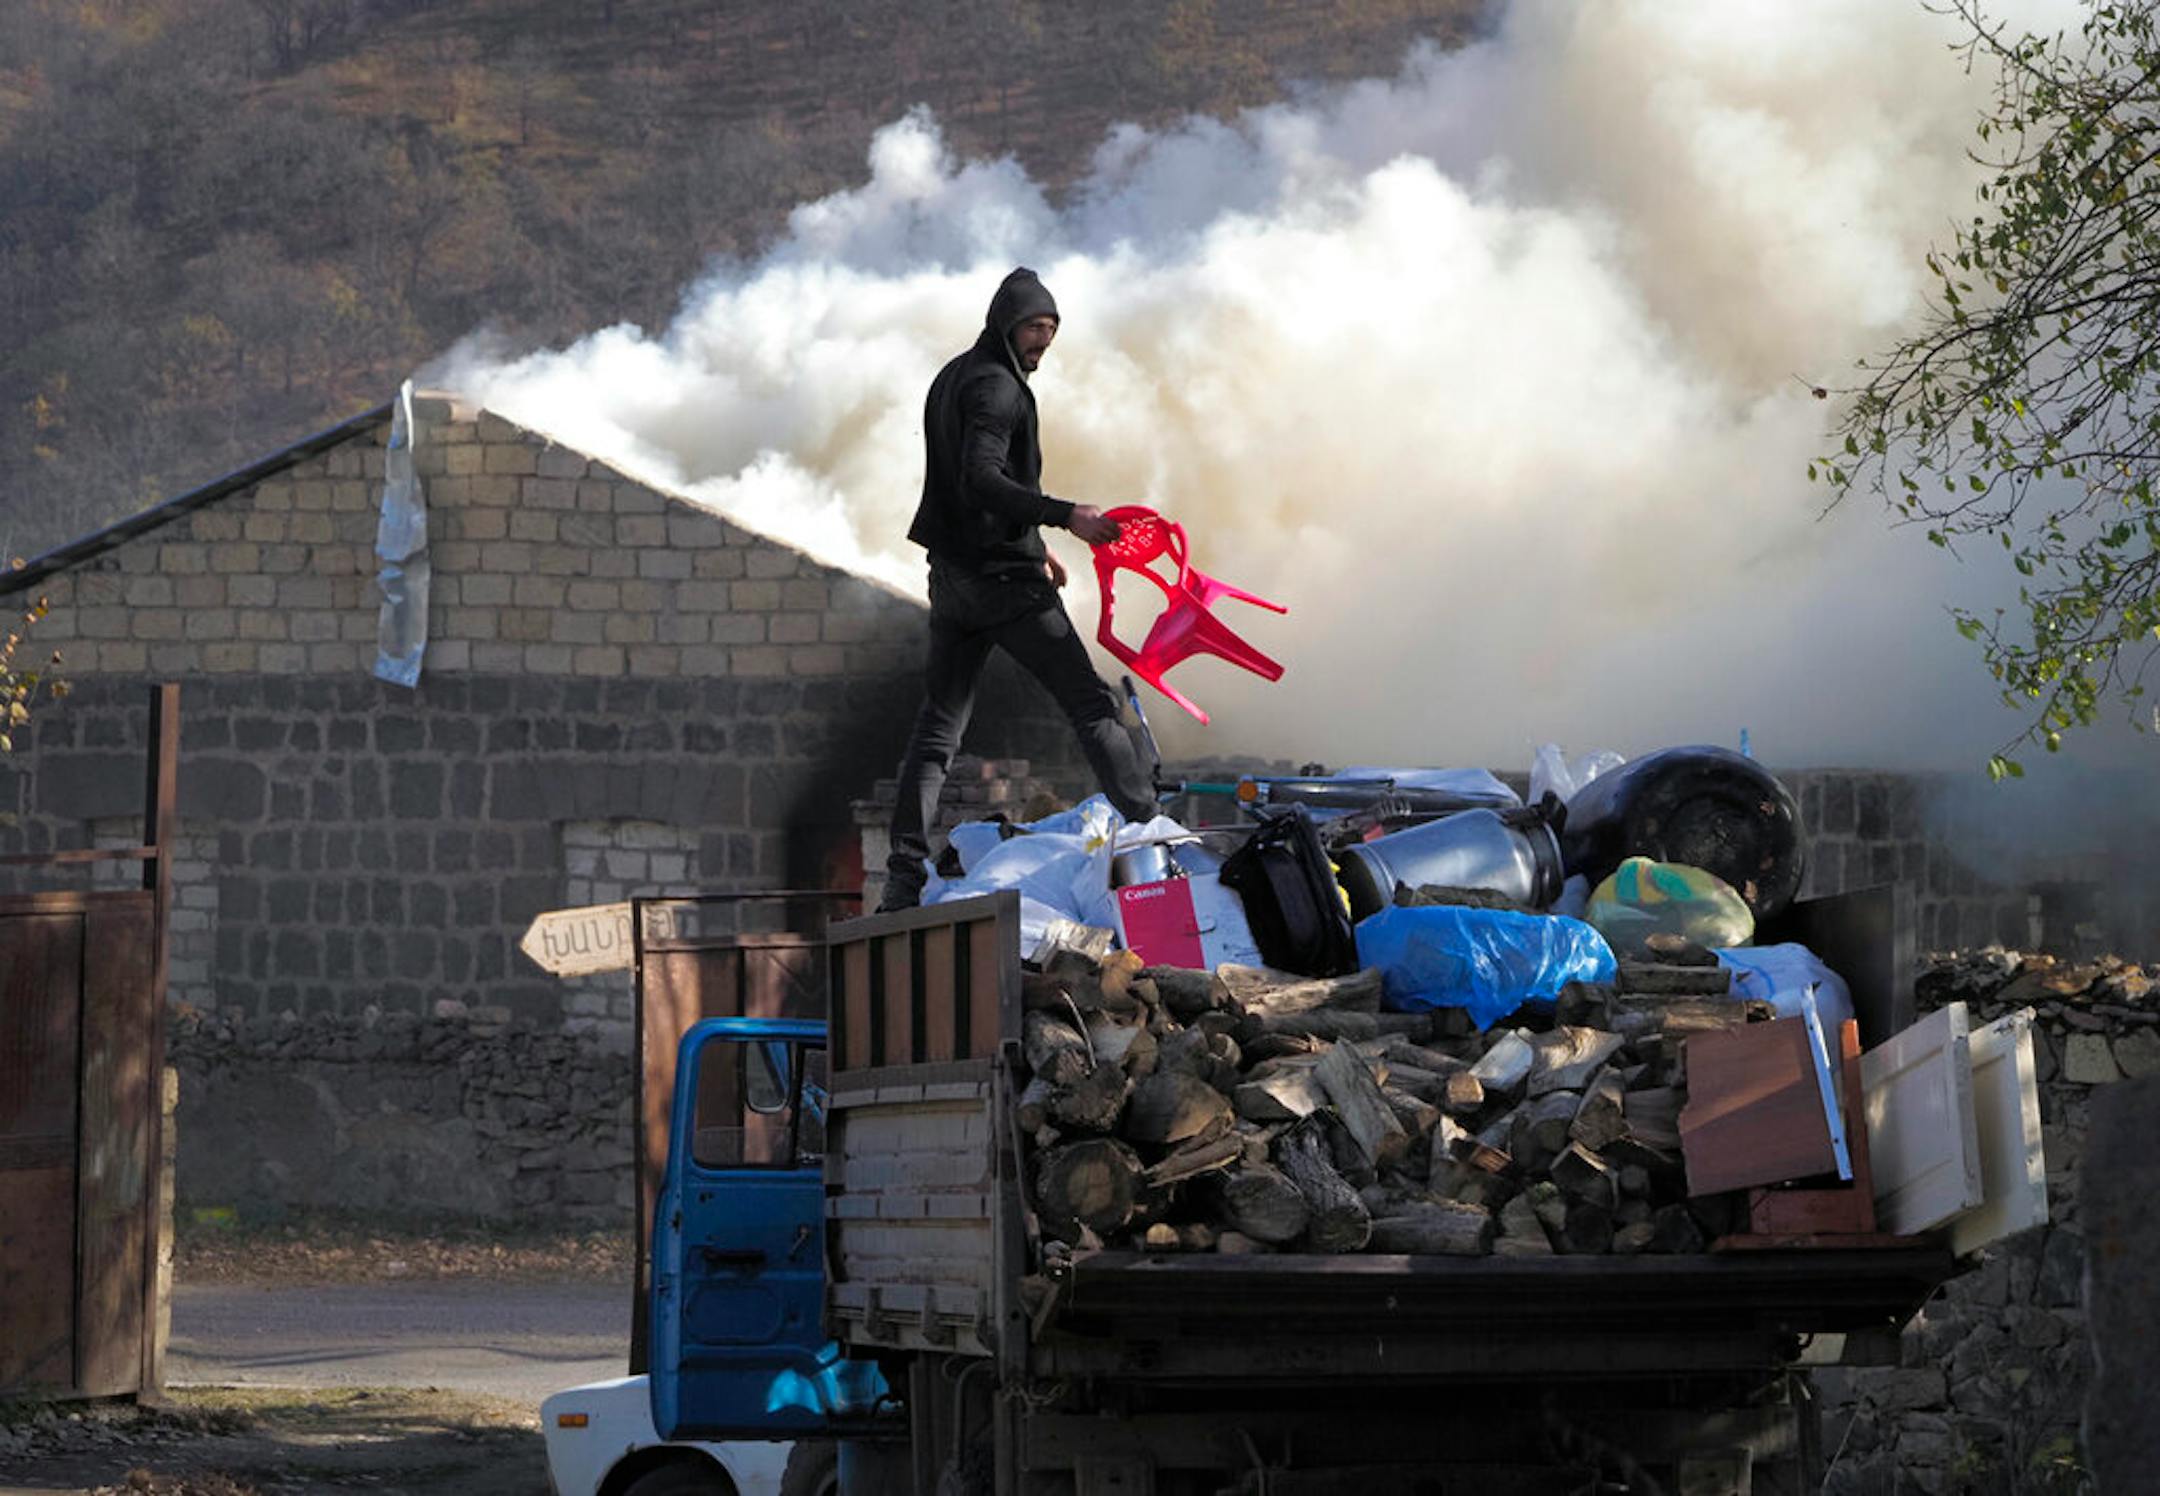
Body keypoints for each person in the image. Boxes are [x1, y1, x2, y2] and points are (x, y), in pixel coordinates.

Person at [877, 266, 1159, 912]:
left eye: (1052, 330)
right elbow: (980, 477)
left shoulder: (952, 377)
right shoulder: (999, 390)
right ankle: (1151, 831)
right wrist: (1069, 516)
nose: (1043, 341)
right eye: (1035, 326)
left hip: (954, 581)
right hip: (1004, 589)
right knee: (1092, 706)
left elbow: (971, 494)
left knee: (937, 730)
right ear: (1006, 320)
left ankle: (902, 878)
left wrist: (1037, 547)